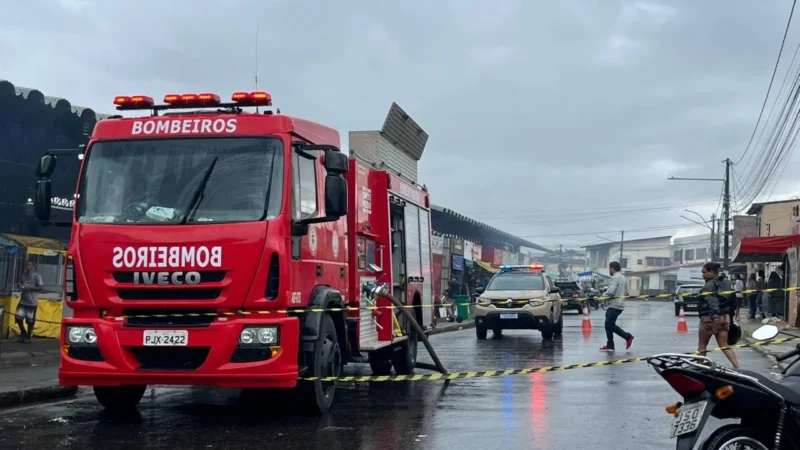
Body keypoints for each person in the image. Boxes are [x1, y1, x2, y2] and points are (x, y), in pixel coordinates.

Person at [697, 262, 739, 368]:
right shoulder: (727, 283)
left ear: (711, 272)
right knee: (724, 345)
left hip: (709, 317)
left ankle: (699, 367)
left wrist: (715, 316)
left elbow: (713, 302)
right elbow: (733, 301)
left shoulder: (708, 286)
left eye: (704, 272)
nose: (702, 275)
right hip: (724, 317)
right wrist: (730, 316)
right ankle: (737, 367)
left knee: (702, 344)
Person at [599, 261, 634, 352]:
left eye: (609, 268)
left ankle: (628, 337)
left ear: (612, 268)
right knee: (608, 325)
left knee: (610, 325)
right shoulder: (623, 278)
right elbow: (626, 293)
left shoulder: (614, 278)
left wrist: (602, 296)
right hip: (620, 305)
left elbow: (611, 291)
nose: (609, 271)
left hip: (614, 305)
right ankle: (610, 345)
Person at [15, 259, 44, 343]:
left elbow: (41, 287)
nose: (27, 266)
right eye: (26, 265)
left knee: (30, 321)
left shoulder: (37, 276)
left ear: (33, 266)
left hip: (32, 302)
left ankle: (28, 336)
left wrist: (30, 287)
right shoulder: (23, 275)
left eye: (29, 265)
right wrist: (20, 286)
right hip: (23, 301)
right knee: (18, 317)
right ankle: (23, 332)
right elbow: (21, 284)